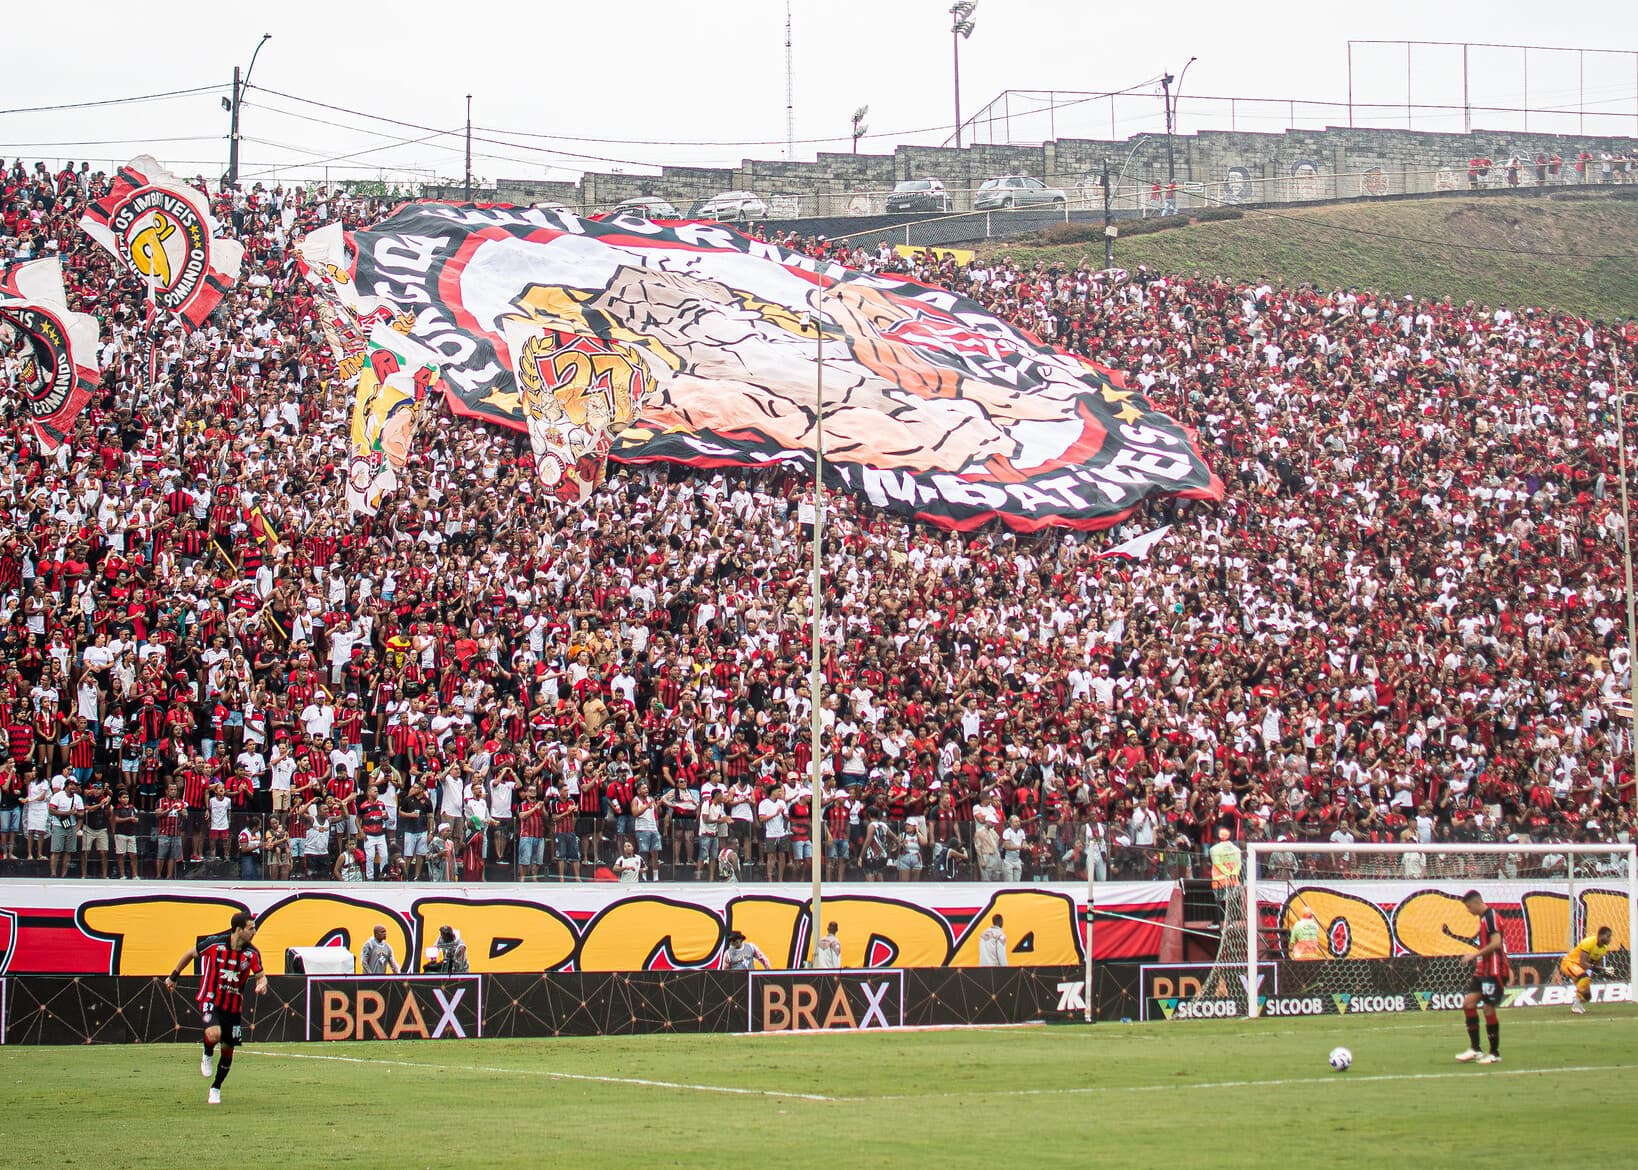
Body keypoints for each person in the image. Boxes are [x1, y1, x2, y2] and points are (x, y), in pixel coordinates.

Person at [164, 910, 267, 1105]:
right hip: (210, 998)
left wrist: (262, 985)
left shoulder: (251, 954)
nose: (254, 932)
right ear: (238, 929)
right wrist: (173, 976)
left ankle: (216, 1087)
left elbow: (261, 975)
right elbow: (190, 953)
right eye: (251, 928)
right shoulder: (215, 944)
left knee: (228, 1050)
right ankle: (208, 1051)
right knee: (213, 1034)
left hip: (234, 1007)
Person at [1456, 890, 1506, 1064]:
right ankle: (1475, 1049)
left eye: (1469, 907)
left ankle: (1494, 1053)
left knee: (1488, 1009)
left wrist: (1473, 955)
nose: (1469, 911)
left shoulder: (1491, 917)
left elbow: (1496, 943)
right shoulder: (1483, 919)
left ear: (1477, 902)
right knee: (1468, 1004)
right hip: (1483, 971)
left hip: (1494, 971)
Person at [1559, 926, 1614, 1015]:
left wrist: (1604, 972)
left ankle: (1579, 1004)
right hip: (1569, 963)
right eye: (1608, 936)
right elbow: (1583, 962)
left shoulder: (1603, 948)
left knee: (1587, 996)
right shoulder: (1589, 942)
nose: (1610, 939)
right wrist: (1597, 968)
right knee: (1584, 977)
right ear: (1600, 936)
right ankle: (1575, 1004)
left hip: (1579, 969)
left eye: (1610, 937)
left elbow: (1598, 966)